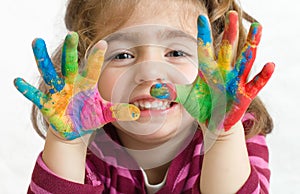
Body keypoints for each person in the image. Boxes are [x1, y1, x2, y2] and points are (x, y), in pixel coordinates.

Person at [14, 0, 275, 193]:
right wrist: (67, 144)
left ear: (216, 58)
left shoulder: (242, 133)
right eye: (123, 55)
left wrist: (223, 136)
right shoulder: (90, 147)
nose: (150, 73)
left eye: (176, 52)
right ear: (85, 66)